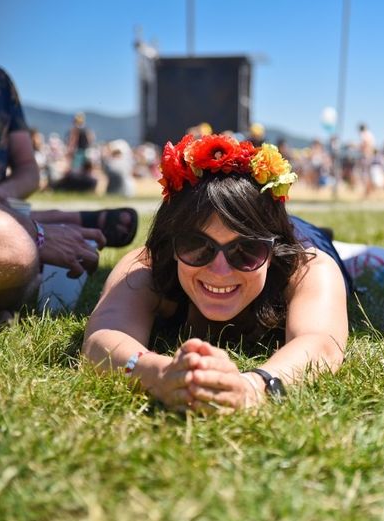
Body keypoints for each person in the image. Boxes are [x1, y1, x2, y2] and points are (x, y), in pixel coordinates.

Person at [82, 134, 349, 413]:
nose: (219, 271)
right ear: (171, 244)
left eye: (246, 250)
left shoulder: (308, 266)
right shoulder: (148, 265)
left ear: (273, 252)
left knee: (328, 248)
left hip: (305, 235)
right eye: (197, 245)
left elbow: (321, 343)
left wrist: (254, 388)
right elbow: (102, 337)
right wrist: (157, 374)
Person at [0, 67, 137, 323]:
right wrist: (36, 236)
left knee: (17, 241)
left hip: (4, 207)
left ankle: (52, 223)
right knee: (18, 251)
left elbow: (29, 170)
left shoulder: (3, 82)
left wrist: (2, 195)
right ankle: (53, 228)